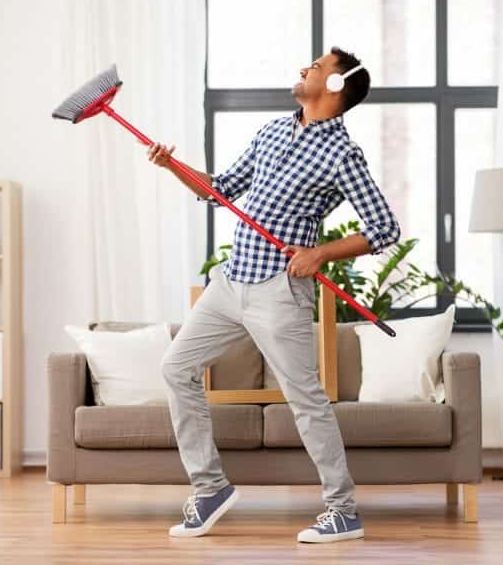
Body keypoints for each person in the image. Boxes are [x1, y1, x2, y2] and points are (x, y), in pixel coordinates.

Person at [145, 46, 401, 543]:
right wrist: (173, 166)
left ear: (334, 85)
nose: (305, 68)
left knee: (305, 400)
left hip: (279, 292)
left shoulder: (341, 153)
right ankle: (211, 487)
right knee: (176, 367)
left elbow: (385, 227)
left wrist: (320, 253)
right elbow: (219, 189)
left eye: (318, 66)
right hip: (230, 281)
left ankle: (343, 510)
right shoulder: (271, 131)